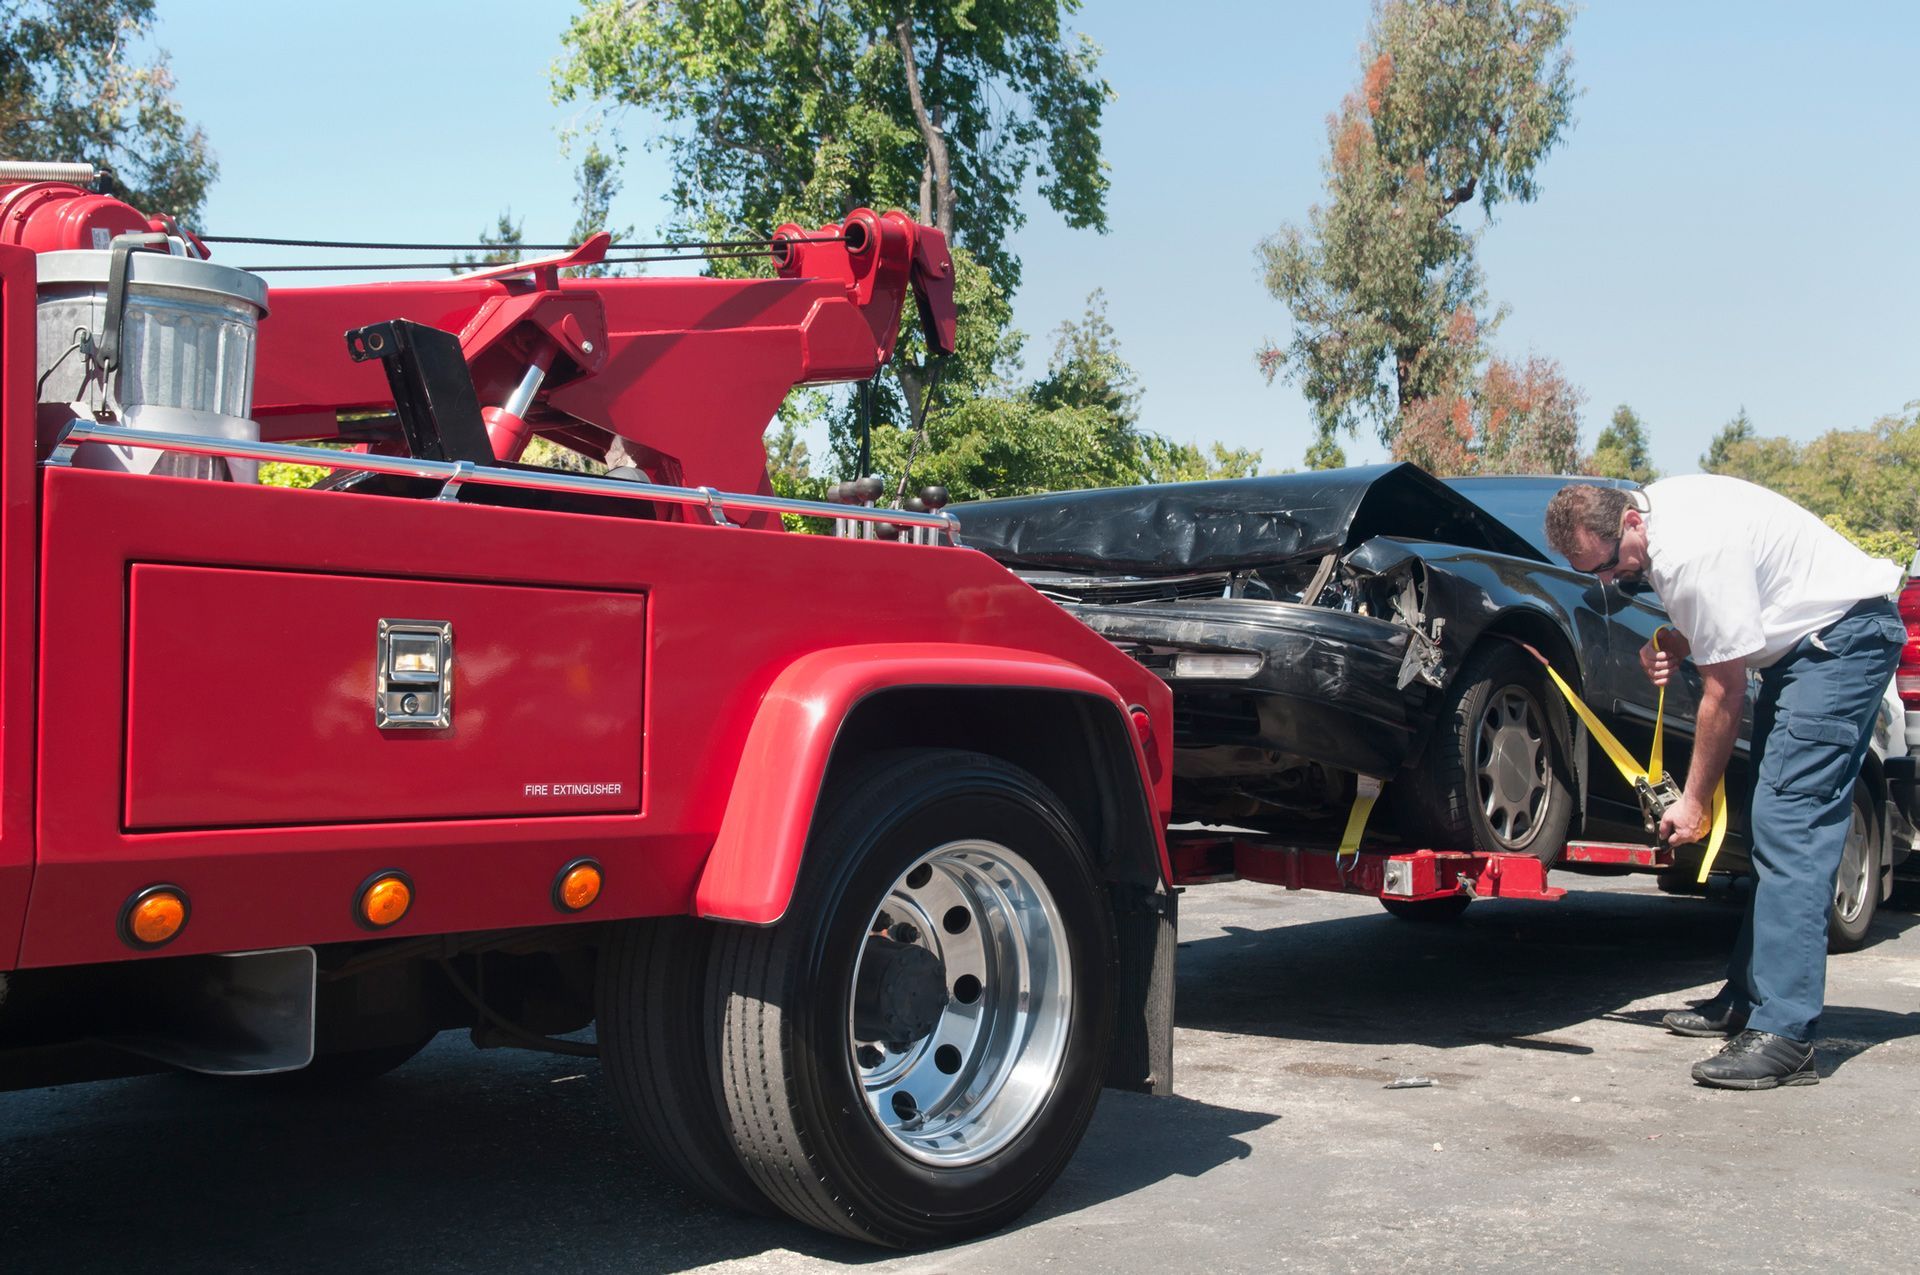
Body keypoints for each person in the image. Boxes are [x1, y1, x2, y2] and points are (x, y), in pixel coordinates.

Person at [1543, 475, 1906, 1090]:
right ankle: (1748, 998)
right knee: (1774, 819)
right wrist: (1680, 640)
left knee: (1790, 825)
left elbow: (1724, 691)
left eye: (1604, 565)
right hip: (1804, 650)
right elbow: (1737, 609)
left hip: (1841, 645)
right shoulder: (1659, 525)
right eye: (1592, 573)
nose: (1606, 581)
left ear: (1631, 524)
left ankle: (1786, 1036)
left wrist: (1692, 803)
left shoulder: (1688, 552)